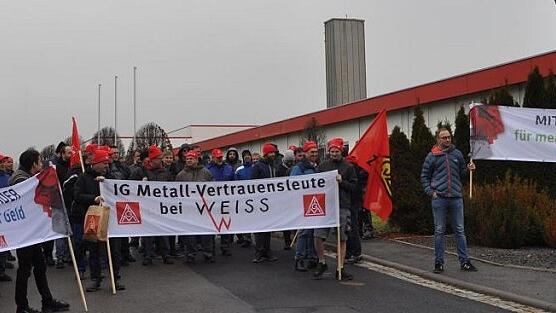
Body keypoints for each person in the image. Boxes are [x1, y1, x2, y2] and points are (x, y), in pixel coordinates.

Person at [10, 148, 70, 313]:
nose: (42, 163)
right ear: (33, 163)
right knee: (24, 270)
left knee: (40, 266)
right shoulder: (21, 180)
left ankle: (47, 301)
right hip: (24, 234)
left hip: (32, 232)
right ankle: (21, 307)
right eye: (40, 160)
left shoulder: (27, 178)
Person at [421, 127, 477, 274]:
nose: (447, 139)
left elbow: (461, 174)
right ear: (438, 139)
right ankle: (439, 263)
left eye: (449, 137)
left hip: (456, 198)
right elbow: (424, 177)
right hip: (439, 199)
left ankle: (465, 262)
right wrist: (430, 192)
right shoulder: (431, 157)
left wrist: (469, 168)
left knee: (460, 230)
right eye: (444, 137)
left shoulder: (457, 154)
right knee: (439, 231)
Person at [74, 149, 126, 292]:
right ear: (95, 163)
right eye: (104, 163)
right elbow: (77, 196)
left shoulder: (111, 177)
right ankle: (95, 279)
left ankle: (115, 278)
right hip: (93, 219)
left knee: (113, 250)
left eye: (107, 163)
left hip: (111, 219)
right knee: (94, 251)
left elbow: (121, 190)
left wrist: (107, 182)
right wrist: (93, 198)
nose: (106, 166)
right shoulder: (83, 178)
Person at [314, 138, 357, 280]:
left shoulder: (348, 167)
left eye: (336, 151)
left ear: (341, 151)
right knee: (318, 235)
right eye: (332, 151)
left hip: (342, 205)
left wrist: (341, 182)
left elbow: (354, 187)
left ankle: (340, 267)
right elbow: (315, 184)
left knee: (342, 238)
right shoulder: (323, 166)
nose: (334, 154)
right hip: (325, 206)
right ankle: (322, 262)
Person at [175, 150, 215, 263]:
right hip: (189, 209)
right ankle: (191, 254)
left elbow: (213, 188)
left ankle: (208, 253)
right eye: (187, 159)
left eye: (191, 159)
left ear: (196, 160)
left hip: (204, 208)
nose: (189, 160)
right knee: (189, 233)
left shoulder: (206, 172)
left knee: (206, 232)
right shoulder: (181, 175)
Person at [142, 145, 174, 265]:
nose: (161, 160)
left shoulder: (165, 173)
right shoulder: (141, 171)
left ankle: (165, 254)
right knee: (148, 233)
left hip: (162, 207)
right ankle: (148, 255)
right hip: (147, 207)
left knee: (163, 232)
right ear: (152, 159)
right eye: (159, 158)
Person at [290, 141, 319, 272]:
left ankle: (311, 257)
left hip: (315, 203)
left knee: (312, 232)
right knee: (304, 232)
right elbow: (292, 185)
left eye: (316, 152)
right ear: (306, 153)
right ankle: (299, 258)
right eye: (311, 152)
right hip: (303, 204)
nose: (314, 154)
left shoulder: (316, 167)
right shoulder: (299, 168)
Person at [250, 143, 279, 263]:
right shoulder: (258, 166)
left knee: (268, 227)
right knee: (260, 228)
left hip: (271, 201)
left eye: (273, 153)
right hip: (260, 201)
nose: (272, 155)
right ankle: (259, 252)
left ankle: (267, 250)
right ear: (265, 154)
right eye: (270, 153)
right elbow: (253, 183)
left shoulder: (273, 166)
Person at [206, 148, 234, 256]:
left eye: (221, 157)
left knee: (225, 224)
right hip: (212, 201)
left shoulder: (228, 168)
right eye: (217, 157)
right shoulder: (207, 169)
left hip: (225, 200)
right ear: (212, 158)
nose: (219, 159)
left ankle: (225, 246)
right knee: (212, 224)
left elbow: (234, 183)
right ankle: (210, 248)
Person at [233, 150, 254, 248]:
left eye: (248, 155)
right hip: (243, 197)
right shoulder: (238, 169)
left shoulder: (255, 167)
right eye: (245, 156)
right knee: (246, 219)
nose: (247, 157)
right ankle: (247, 238)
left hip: (255, 196)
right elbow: (236, 183)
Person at [275, 149, 295, 250]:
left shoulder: (295, 168)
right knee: (286, 220)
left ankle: (294, 238)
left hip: (293, 197)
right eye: (289, 161)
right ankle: (287, 240)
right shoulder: (279, 169)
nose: (290, 163)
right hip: (284, 198)